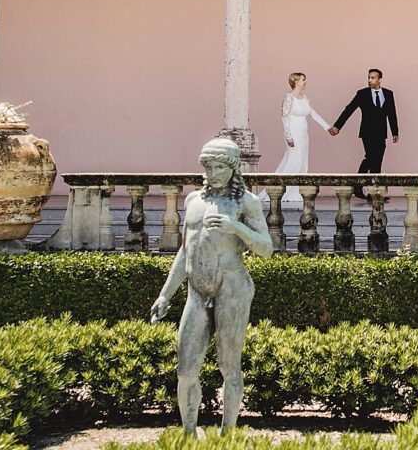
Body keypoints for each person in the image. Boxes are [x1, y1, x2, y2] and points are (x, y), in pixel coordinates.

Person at [148, 138, 272, 438]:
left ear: (233, 168)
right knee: (186, 370)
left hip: (232, 287)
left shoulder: (246, 203)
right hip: (196, 290)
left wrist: (236, 228)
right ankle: (189, 433)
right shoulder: (194, 201)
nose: (213, 173)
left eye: (220, 167)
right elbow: (184, 251)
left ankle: (227, 433)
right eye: (209, 167)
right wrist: (165, 294)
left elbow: (266, 248)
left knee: (229, 365)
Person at [330, 68, 400, 198]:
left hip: (381, 133)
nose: (370, 80)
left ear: (380, 79)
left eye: (373, 78)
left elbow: (392, 113)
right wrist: (337, 126)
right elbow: (349, 109)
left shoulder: (388, 94)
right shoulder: (362, 94)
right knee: (370, 156)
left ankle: (374, 192)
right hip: (367, 132)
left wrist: (394, 131)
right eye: (369, 77)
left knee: (377, 160)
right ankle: (358, 186)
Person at [271, 72, 330, 207]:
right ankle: (280, 190)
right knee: (294, 161)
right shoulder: (289, 98)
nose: (305, 82)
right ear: (296, 81)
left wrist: (327, 127)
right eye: (303, 80)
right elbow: (284, 117)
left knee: (303, 161)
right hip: (293, 133)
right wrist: (288, 136)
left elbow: (312, 114)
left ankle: (296, 192)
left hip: (304, 133)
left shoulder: (305, 98)